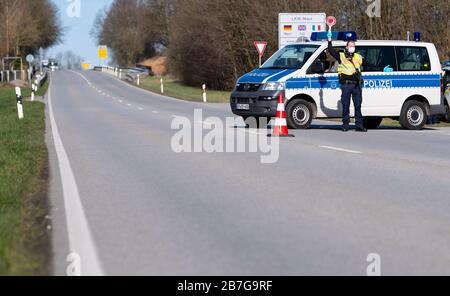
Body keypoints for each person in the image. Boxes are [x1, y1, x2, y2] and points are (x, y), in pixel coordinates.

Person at [327, 33, 367, 132]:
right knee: (346, 105)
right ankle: (345, 124)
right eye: (350, 46)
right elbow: (331, 51)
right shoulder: (341, 56)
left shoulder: (358, 56)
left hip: (356, 84)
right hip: (346, 84)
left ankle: (359, 125)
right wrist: (329, 40)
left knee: (358, 105)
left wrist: (382, 68)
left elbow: (367, 64)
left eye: (353, 46)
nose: (352, 47)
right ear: (346, 47)